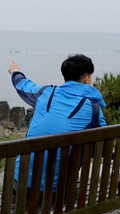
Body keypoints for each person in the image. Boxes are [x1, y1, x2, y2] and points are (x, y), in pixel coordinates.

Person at [8, 54, 108, 189]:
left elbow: (23, 85)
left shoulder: (45, 93)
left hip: (20, 183)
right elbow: (104, 144)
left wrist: (15, 71)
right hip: (57, 191)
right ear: (86, 78)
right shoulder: (93, 108)